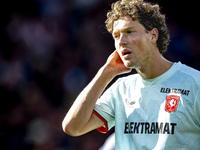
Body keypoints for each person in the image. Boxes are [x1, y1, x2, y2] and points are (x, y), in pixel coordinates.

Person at [62, 0, 200, 149]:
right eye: (116, 36)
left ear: (153, 35)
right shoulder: (121, 89)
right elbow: (73, 127)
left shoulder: (194, 83)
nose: (121, 41)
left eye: (129, 32)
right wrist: (106, 72)